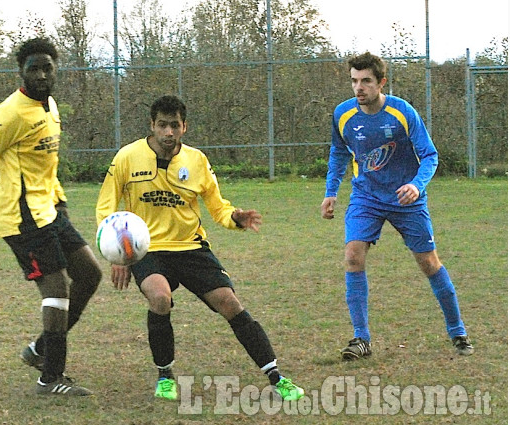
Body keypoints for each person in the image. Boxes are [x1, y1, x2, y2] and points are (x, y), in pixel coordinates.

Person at [95, 95, 304, 402]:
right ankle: (165, 376)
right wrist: (118, 254)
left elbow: (218, 208)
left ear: (184, 127)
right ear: (151, 125)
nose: (168, 132)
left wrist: (235, 218)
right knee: (160, 297)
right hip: (148, 249)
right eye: (162, 125)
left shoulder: (197, 161)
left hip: (191, 247)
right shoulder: (127, 157)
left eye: (175, 126)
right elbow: (105, 207)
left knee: (230, 303)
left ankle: (276, 376)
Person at [0, 38, 102, 396]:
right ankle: (50, 378)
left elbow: (45, 165)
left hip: (48, 210)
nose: (40, 75)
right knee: (56, 290)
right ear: (20, 72)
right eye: (33, 69)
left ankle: (39, 349)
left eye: (46, 68)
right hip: (20, 217)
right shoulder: (8, 114)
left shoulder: (50, 106)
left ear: (55, 69)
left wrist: (60, 198)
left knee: (90, 275)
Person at [320, 52, 473, 361]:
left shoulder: (403, 113)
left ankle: (457, 331)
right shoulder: (343, 114)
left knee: (429, 263)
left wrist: (416, 185)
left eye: (365, 81)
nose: (358, 88)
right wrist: (331, 191)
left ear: (381, 83)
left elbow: (430, 155)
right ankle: (361, 339)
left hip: (406, 199)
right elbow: (338, 152)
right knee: (353, 255)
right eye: (354, 81)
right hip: (366, 197)